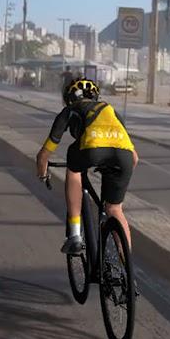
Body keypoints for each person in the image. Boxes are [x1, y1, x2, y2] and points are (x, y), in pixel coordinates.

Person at [35, 78, 138, 255]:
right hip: (125, 157)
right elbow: (135, 157)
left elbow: (44, 154)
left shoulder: (70, 110)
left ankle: (75, 235)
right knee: (114, 209)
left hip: (91, 151)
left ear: (69, 99)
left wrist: (42, 174)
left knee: (74, 167)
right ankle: (127, 270)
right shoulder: (109, 109)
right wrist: (117, 181)